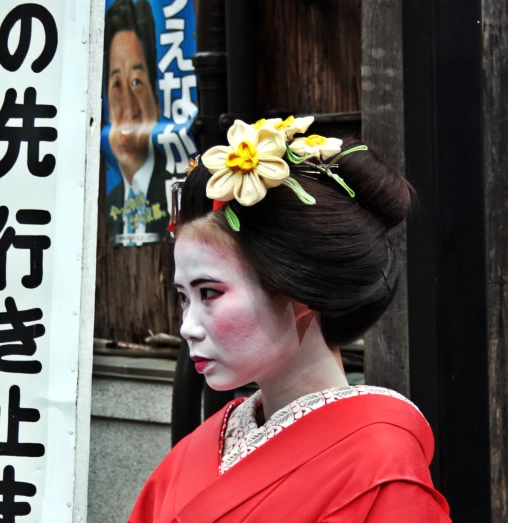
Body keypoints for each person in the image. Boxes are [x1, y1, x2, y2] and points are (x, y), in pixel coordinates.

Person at [129, 117, 451, 522]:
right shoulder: (196, 452)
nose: (187, 327)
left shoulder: (381, 467)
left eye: (209, 293)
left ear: (297, 291)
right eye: (183, 297)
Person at [103, 0, 170, 242]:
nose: (128, 106)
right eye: (116, 84)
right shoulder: (110, 202)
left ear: (157, 98)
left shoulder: (178, 197)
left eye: (136, 82)